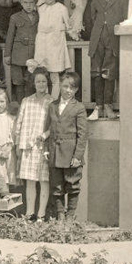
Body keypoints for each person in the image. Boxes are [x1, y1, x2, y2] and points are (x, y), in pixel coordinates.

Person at [83, 0, 128, 120]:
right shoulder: (95, 0)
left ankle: (108, 106)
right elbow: (90, 21)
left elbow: (125, 20)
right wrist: (96, 35)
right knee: (97, 74)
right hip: (97, 42)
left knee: (109, 74)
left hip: (112, 42)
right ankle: (98, 106)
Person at [42, 70, 88, 220]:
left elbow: (82, 135)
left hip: (71, 155)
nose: (68, 90)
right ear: (60, 86)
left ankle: (70, 216)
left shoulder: (79, 107)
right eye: (65, 86)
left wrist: (78, 156)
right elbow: (47, 129)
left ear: (76, 90)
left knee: (72, 185)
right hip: (55, 153)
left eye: (72, 88)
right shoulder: (52, 106)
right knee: (56, 186)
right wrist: (46, 150)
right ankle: (60, 215)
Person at [14, 67, 52, 221]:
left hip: (43, 147)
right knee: (30, 181)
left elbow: (53, 125)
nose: (41, 84)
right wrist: (18, 144)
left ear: (47, 83)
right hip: (28, 146)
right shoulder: (26, 101)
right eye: (38, 81)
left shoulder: (51, 102)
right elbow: (19, 124)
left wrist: (45, 135)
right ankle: (30, 213)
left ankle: (41, 214)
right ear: (33, 83)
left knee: (44, 180)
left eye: (43, 81)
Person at [34, 0, 74, 100]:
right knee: (42, 75)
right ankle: (43, 101)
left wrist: (66, 30)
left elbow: (68, 26)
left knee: (54, 76)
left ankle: (53, 101)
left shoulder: (61, 8)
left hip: (55, 44)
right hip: (42, 44)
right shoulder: (40, 9)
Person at [3, 0, 38, 103]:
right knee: (18, 83)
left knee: (30, 82)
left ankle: (30, 107)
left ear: (35, 2)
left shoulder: (39, 16)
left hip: (33, 56)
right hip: (17, 56)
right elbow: (10, 37)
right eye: (26, 2)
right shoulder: (15, 17)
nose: (28, 5)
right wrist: (7, 54)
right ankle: (19, 107)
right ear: (21, 3)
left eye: (31, 2)